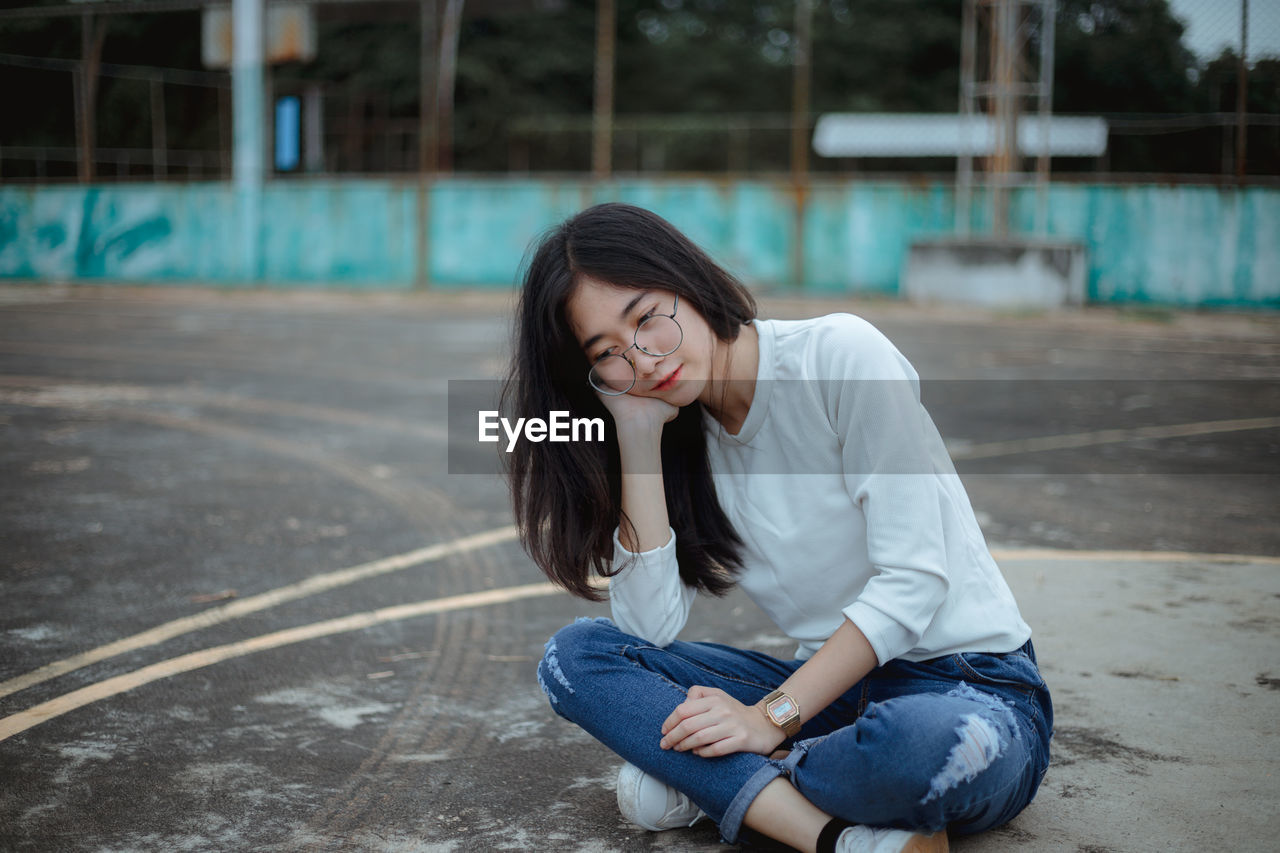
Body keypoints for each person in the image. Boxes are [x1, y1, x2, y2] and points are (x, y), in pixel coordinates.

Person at [503, 202, 1052, 853]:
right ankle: (832, 837)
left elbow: (916, 579)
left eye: (647, 316)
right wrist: (637, 434)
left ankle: (720, 785)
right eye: (608, 353)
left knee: (922, 745)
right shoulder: (680, 435)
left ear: (686, 276)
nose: (643, 359)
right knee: (577, 658)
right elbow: (649, 630)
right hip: (829, 692)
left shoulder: (842, 354)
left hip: (969, 685)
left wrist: (770, 718)